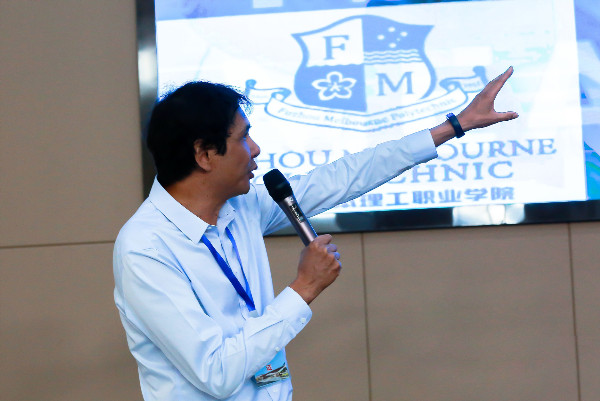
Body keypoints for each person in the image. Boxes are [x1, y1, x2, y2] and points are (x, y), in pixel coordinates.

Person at [113, 67, 518, 401]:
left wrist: (454, 126)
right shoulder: (146, 249)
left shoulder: (241, 208)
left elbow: (344, 177)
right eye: (243, 137)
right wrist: (304, 287)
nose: (255, 149)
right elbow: (216, 372)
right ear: (204, 154)